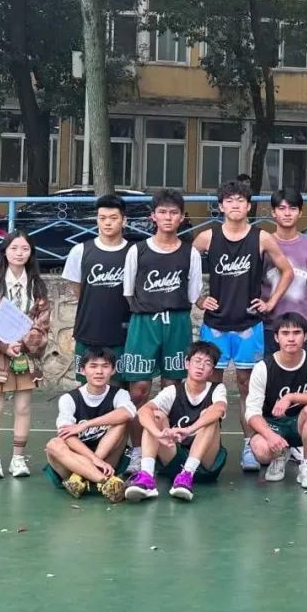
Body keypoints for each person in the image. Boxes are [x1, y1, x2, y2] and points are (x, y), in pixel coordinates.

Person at [193, 180, 294, 472]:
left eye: (240, 200)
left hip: (249, 325)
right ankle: (208, 445)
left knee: (247, 386)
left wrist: (271, 302)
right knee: (210, 387)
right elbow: (183, 267)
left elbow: (286, 271)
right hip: (215, 325)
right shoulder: (207, 237)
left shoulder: (261, 238)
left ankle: (250, 445)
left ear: (249, 206)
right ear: (221, 206)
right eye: (229, 200)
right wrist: (198, 299)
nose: (235, 205)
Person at [118, 188, 204, 474]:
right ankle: (138, 450)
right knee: (139, 390)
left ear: (181, 217)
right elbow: (128, 291)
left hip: (177, 323)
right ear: (153, 216)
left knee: (172, 388)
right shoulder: (138, 250)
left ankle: (170, 451)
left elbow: (193, 293)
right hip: (144, 323)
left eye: (174, 212)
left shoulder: (190, 252)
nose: (168, 217)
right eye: (163, 212)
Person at [0, 231, 52, 480]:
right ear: (5, 251)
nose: (19, 253)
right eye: (14, 248)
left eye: (25, 249)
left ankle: (18, 458)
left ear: (31, 253)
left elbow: (43, 323)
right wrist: (3, 345)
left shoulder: (37, 285)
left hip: (24, 354)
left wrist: (25, 342)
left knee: (23, 407)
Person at [125, 341, 229, 502]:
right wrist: (158, 434)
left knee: (210, 415)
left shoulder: (217, 389)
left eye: (207, 363)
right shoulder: (172, 391)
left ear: (212, 371)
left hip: (205, 463)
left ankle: (187, 474)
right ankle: (147, 477)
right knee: (155, 416)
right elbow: (143, 411)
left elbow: (219, 409)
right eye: (197, 361)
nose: (201, 366)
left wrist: (189, 429)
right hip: (174, 458)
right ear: (187, 364)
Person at [245, 313, 307, 488]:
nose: (291, 338)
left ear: (305, 336)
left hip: (301, 423)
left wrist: (291, 397)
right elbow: (252, 413)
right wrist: (269, 435)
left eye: (296, 332)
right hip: (273, 424)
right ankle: (280, 455)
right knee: (261, 451)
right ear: (276, 337)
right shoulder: (263, 368)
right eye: (285, 333)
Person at [43, 347, 134, 503]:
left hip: (107, 462)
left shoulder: (120, 394)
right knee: (54, 444)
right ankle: (105, 482)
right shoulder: (68, 399)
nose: (99, 371)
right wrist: (93, 460)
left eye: (105, 366)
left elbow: (127, 413)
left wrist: (86, 425)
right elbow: (66, 435)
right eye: (93, 366)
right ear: (82, 370)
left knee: (121, 423)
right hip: (74, 464)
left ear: (113, 370)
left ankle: (82, 477)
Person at [62, 194, 131, 382]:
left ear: (124, 220)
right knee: (86, 386)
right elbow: (77, 288)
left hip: (123, 334)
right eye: (102, 218)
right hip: (88, 330)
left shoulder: (134, 252)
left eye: (113, 218)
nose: (107, 223)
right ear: (97, 220)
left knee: (118, 386)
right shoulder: (80, 251)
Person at [261, 188, 307, 357]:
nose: (287, 213)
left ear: (300, 212)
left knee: (300, 370)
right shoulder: (264, 245)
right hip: (270, 323)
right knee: (270, 370)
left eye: (293, 208)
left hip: (300, 323)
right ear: (273, 212)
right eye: (282, 208)